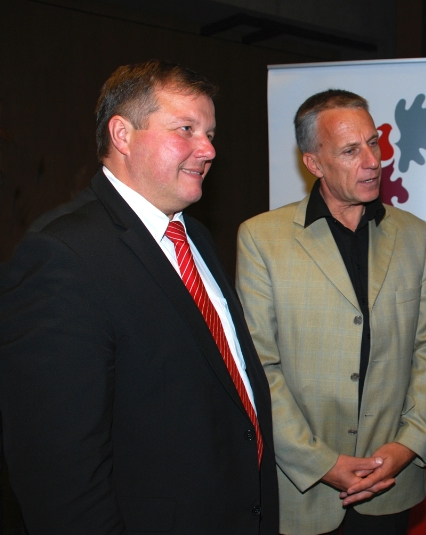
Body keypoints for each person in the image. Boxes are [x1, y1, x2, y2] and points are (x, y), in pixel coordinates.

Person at [0, 60, 278, 534]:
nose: (209, 149)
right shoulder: (63, 257)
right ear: (122, 135)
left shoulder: (194, 236)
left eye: (210, 133)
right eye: (186, 129)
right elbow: (59, 477)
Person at [236, 89, 426, 535]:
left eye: (373, 143)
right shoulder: (261, 239)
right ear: (313, 163)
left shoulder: (414, 235)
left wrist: (407, 445)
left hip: (390, 482)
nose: (372, 161)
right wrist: (321, 462)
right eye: (350, 151)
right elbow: (259, 367)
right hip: (302, 491)